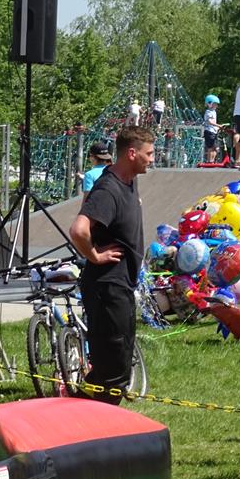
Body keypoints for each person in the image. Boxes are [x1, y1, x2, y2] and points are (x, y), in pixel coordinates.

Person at [69, 126, 155, 404]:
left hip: (121, 284)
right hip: (106, 286)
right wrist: (94, 255)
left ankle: (90, 412)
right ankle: (94, 417)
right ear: (131, 153)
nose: (152, 159)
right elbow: (79, 230)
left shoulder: (129, 181)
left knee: (120, 359)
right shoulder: (108, 189)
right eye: (148, 154)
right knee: (112, 368)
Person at [203, 94, 220, 163]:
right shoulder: (208, 112)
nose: (216, 106)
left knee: (216, 148)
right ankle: (209, 161)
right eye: (215, 104)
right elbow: (210, 122)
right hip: (209, 131)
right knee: (211, 147)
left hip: (214, 131)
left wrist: (218, 127)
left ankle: (212, 160)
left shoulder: (214, 112)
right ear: (210, 104)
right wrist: (218, 125)